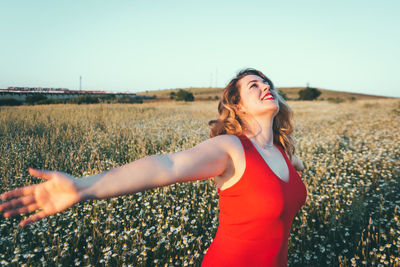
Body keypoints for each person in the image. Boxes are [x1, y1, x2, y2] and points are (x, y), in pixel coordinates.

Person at [0, 68, 307, 266]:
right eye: (254, 85)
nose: (266, 86)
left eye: (268, 83)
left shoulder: (283, 153)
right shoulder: (232, 148)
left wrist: (295, 162)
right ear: (238, 106)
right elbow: (166, 165)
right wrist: (83, 186)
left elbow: (288, 175)